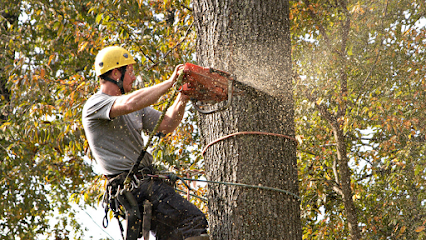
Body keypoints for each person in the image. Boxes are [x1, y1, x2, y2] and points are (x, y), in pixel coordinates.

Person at [82, 46, 208, 240]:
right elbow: (130, 103)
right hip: (135, 187)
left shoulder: (133, 106)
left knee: (175, 235)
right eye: (130, 72)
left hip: (147, 184)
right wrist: (170, 82)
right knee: (192, 220)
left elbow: (167, 124)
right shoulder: (96, 104)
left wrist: (182, 96)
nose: (133, 78)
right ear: (116, 73)